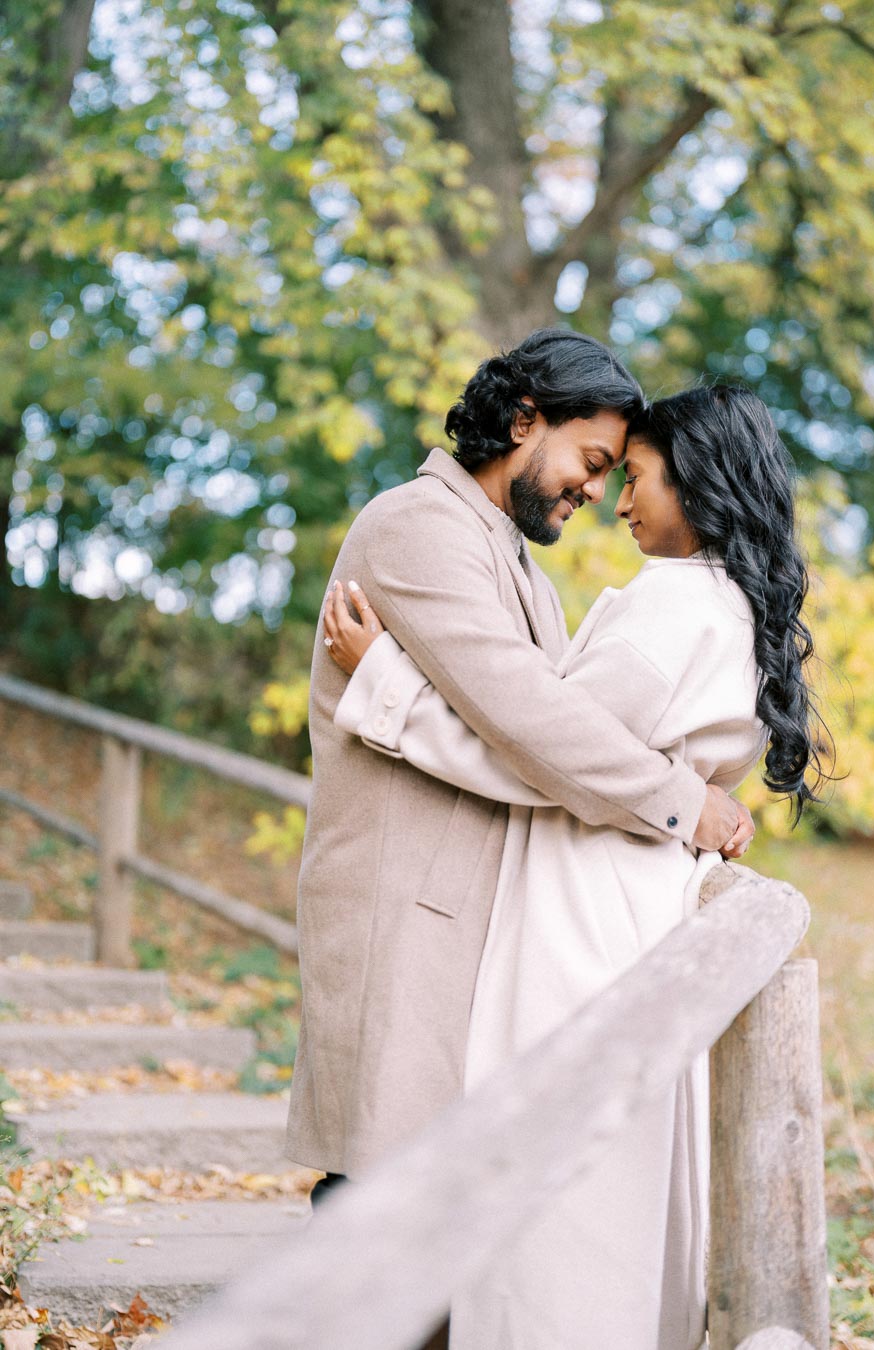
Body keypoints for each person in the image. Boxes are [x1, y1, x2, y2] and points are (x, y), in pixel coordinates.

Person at [324, 384, 827, 1350]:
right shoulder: (729, 602)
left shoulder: (674, 603)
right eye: (610, 473)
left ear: (700, 485)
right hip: (632, 890)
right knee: (611, 1158)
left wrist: (386, 685)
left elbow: (547, 758)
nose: (621, 500)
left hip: (584, 896)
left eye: (633, 477)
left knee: (560, 1166)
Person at [284, 329, 749, 1201]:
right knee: (376, 1192)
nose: (599, 490)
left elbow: (547, 718)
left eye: (616, 472)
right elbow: (536, 723)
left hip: (471, 915)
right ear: (525, 421)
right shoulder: (420, 526)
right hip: (413, 907)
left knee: (434, 1198)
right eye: (592, 458)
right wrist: (682, 801)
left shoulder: (516, 560)